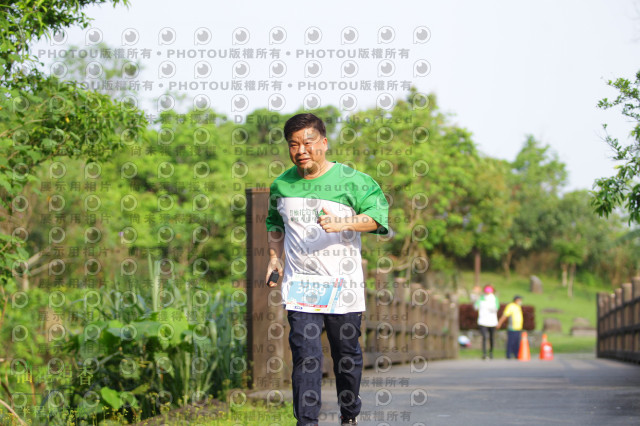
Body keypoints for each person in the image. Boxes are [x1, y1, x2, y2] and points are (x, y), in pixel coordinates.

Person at [265, 113, 390, 426]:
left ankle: (349, 415)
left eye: (307, 143)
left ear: (323, 142)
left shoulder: (353, 180)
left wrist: (343, 222)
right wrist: (274, 257)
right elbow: (275, 224)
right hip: (301, 286)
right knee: (306, 358)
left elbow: (377, 218)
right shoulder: (281, 185)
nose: (301, 150)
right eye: (293, 144)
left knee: (346, 356)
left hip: (343, 287)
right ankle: (307, 422)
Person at [473, 284, 499, 359]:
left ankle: (491, 352)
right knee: (484, 337)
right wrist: (476, 299)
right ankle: (484, 353)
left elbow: (496, 308)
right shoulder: (481, 298)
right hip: (483, 321)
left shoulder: (494, 298)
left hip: (492, 321)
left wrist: (488, 305)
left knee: (491, 337)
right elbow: (475, 307)